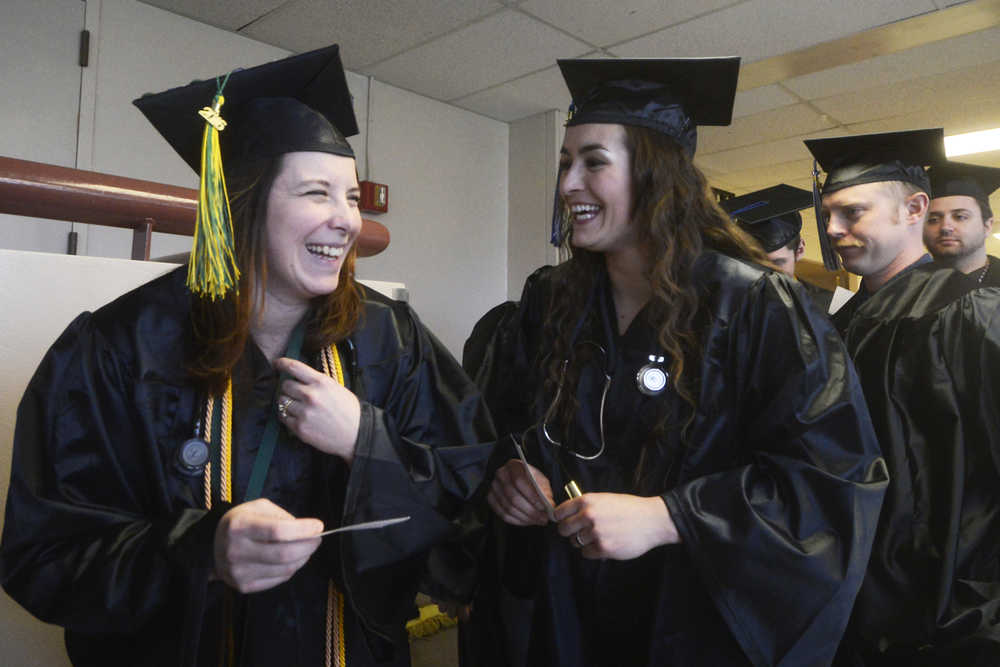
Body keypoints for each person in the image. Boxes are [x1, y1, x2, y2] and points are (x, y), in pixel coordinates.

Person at [0, 45, 493, 667]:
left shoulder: (388, 339)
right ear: (243, 205)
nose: (347, 221)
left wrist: (366, 441)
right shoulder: (118, 346)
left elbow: (469, 501)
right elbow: (45, 554)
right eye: (318, 193)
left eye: (352, 197)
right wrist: (200, 549)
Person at [462, 57, 887, 667]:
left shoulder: (755, 308)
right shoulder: (551, 302)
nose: (568, 185)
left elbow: (831, 486)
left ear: (658, 175)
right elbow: (499, 425)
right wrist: (512, 470)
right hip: (563, 619)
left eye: (593, 162)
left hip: (688, 625)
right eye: (564, 164)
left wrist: (670, 517)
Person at [804, 129, 1000, 664]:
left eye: (852, 213)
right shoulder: (832, 324)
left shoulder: (969, 314)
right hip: (847, 599)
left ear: (914, 208)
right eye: (827, 217)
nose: (833, 230)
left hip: (946, 611)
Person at [720, 183, 835, 311]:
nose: (766, 275)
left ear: (800, 250)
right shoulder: (729, 309)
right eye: (756, 264)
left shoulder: (832, 306)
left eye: (777, 263)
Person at [924, 161, 1000, 286]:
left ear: (987, 225)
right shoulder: (906, 292)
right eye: (933, 220)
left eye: (960, 217)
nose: (945, 227)